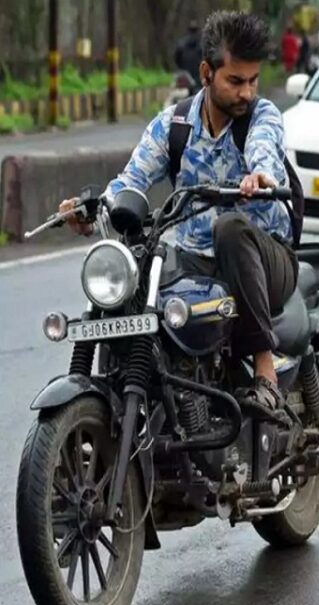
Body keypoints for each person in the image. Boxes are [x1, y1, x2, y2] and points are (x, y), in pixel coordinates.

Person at [58, 10, 296, 410]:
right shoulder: (173, 125)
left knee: (231, 229)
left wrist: (261, 176)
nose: (247, 92)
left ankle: (264, 370)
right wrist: (89, 209)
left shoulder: (261, 116)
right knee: (138, 266)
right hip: (193, 261)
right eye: (235, 81)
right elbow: (130, 182)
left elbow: (265, 150)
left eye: (253, 81)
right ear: (206, 72)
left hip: (265, 259)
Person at [174, 20, 203, 91]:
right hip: (198, 78)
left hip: (185, 78)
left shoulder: (181, 44)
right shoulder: (202, 44)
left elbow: (176, 60)